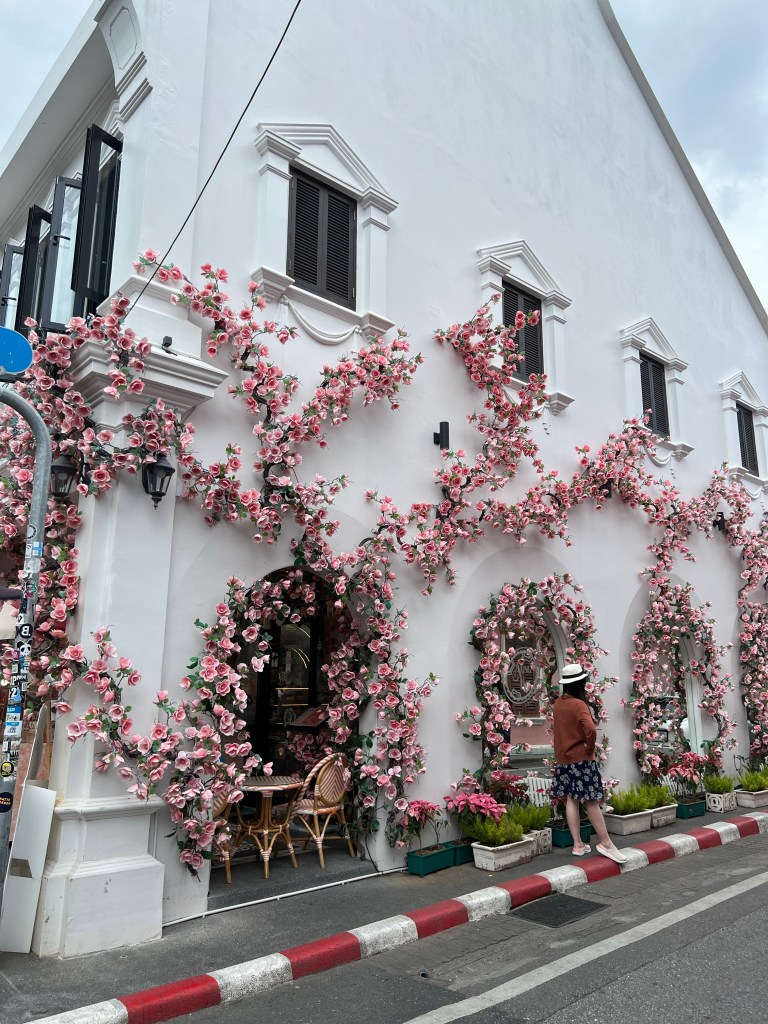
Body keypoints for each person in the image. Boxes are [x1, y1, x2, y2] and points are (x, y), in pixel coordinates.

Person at [551, 662, 628, 864]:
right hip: (581, 759)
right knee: (591, 800)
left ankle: (577, 844)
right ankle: (606, 843)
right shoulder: (578, 704)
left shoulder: (559, 704)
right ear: (580, 683)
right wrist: (589, 747)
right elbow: (591, 729)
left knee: (571, 799)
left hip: (564, 760)